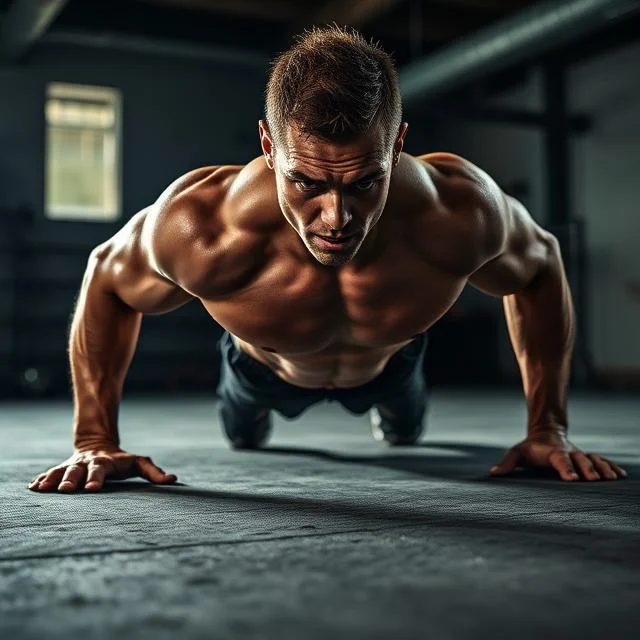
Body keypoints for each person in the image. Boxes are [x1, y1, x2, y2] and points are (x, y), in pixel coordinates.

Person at [28, 26, 627, 494]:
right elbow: (107, 275)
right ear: (269, 146)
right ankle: (252, 409)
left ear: (397, 143)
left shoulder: (458, 210)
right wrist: (94, 440)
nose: (336, 217)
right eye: (307, 183)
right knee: (244, 437)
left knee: (404, 432)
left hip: (394, 362)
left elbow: (542, 262)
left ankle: (394, 408)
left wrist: (548, 431)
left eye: (365, 183)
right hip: (260, 372)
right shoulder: (203, 227)